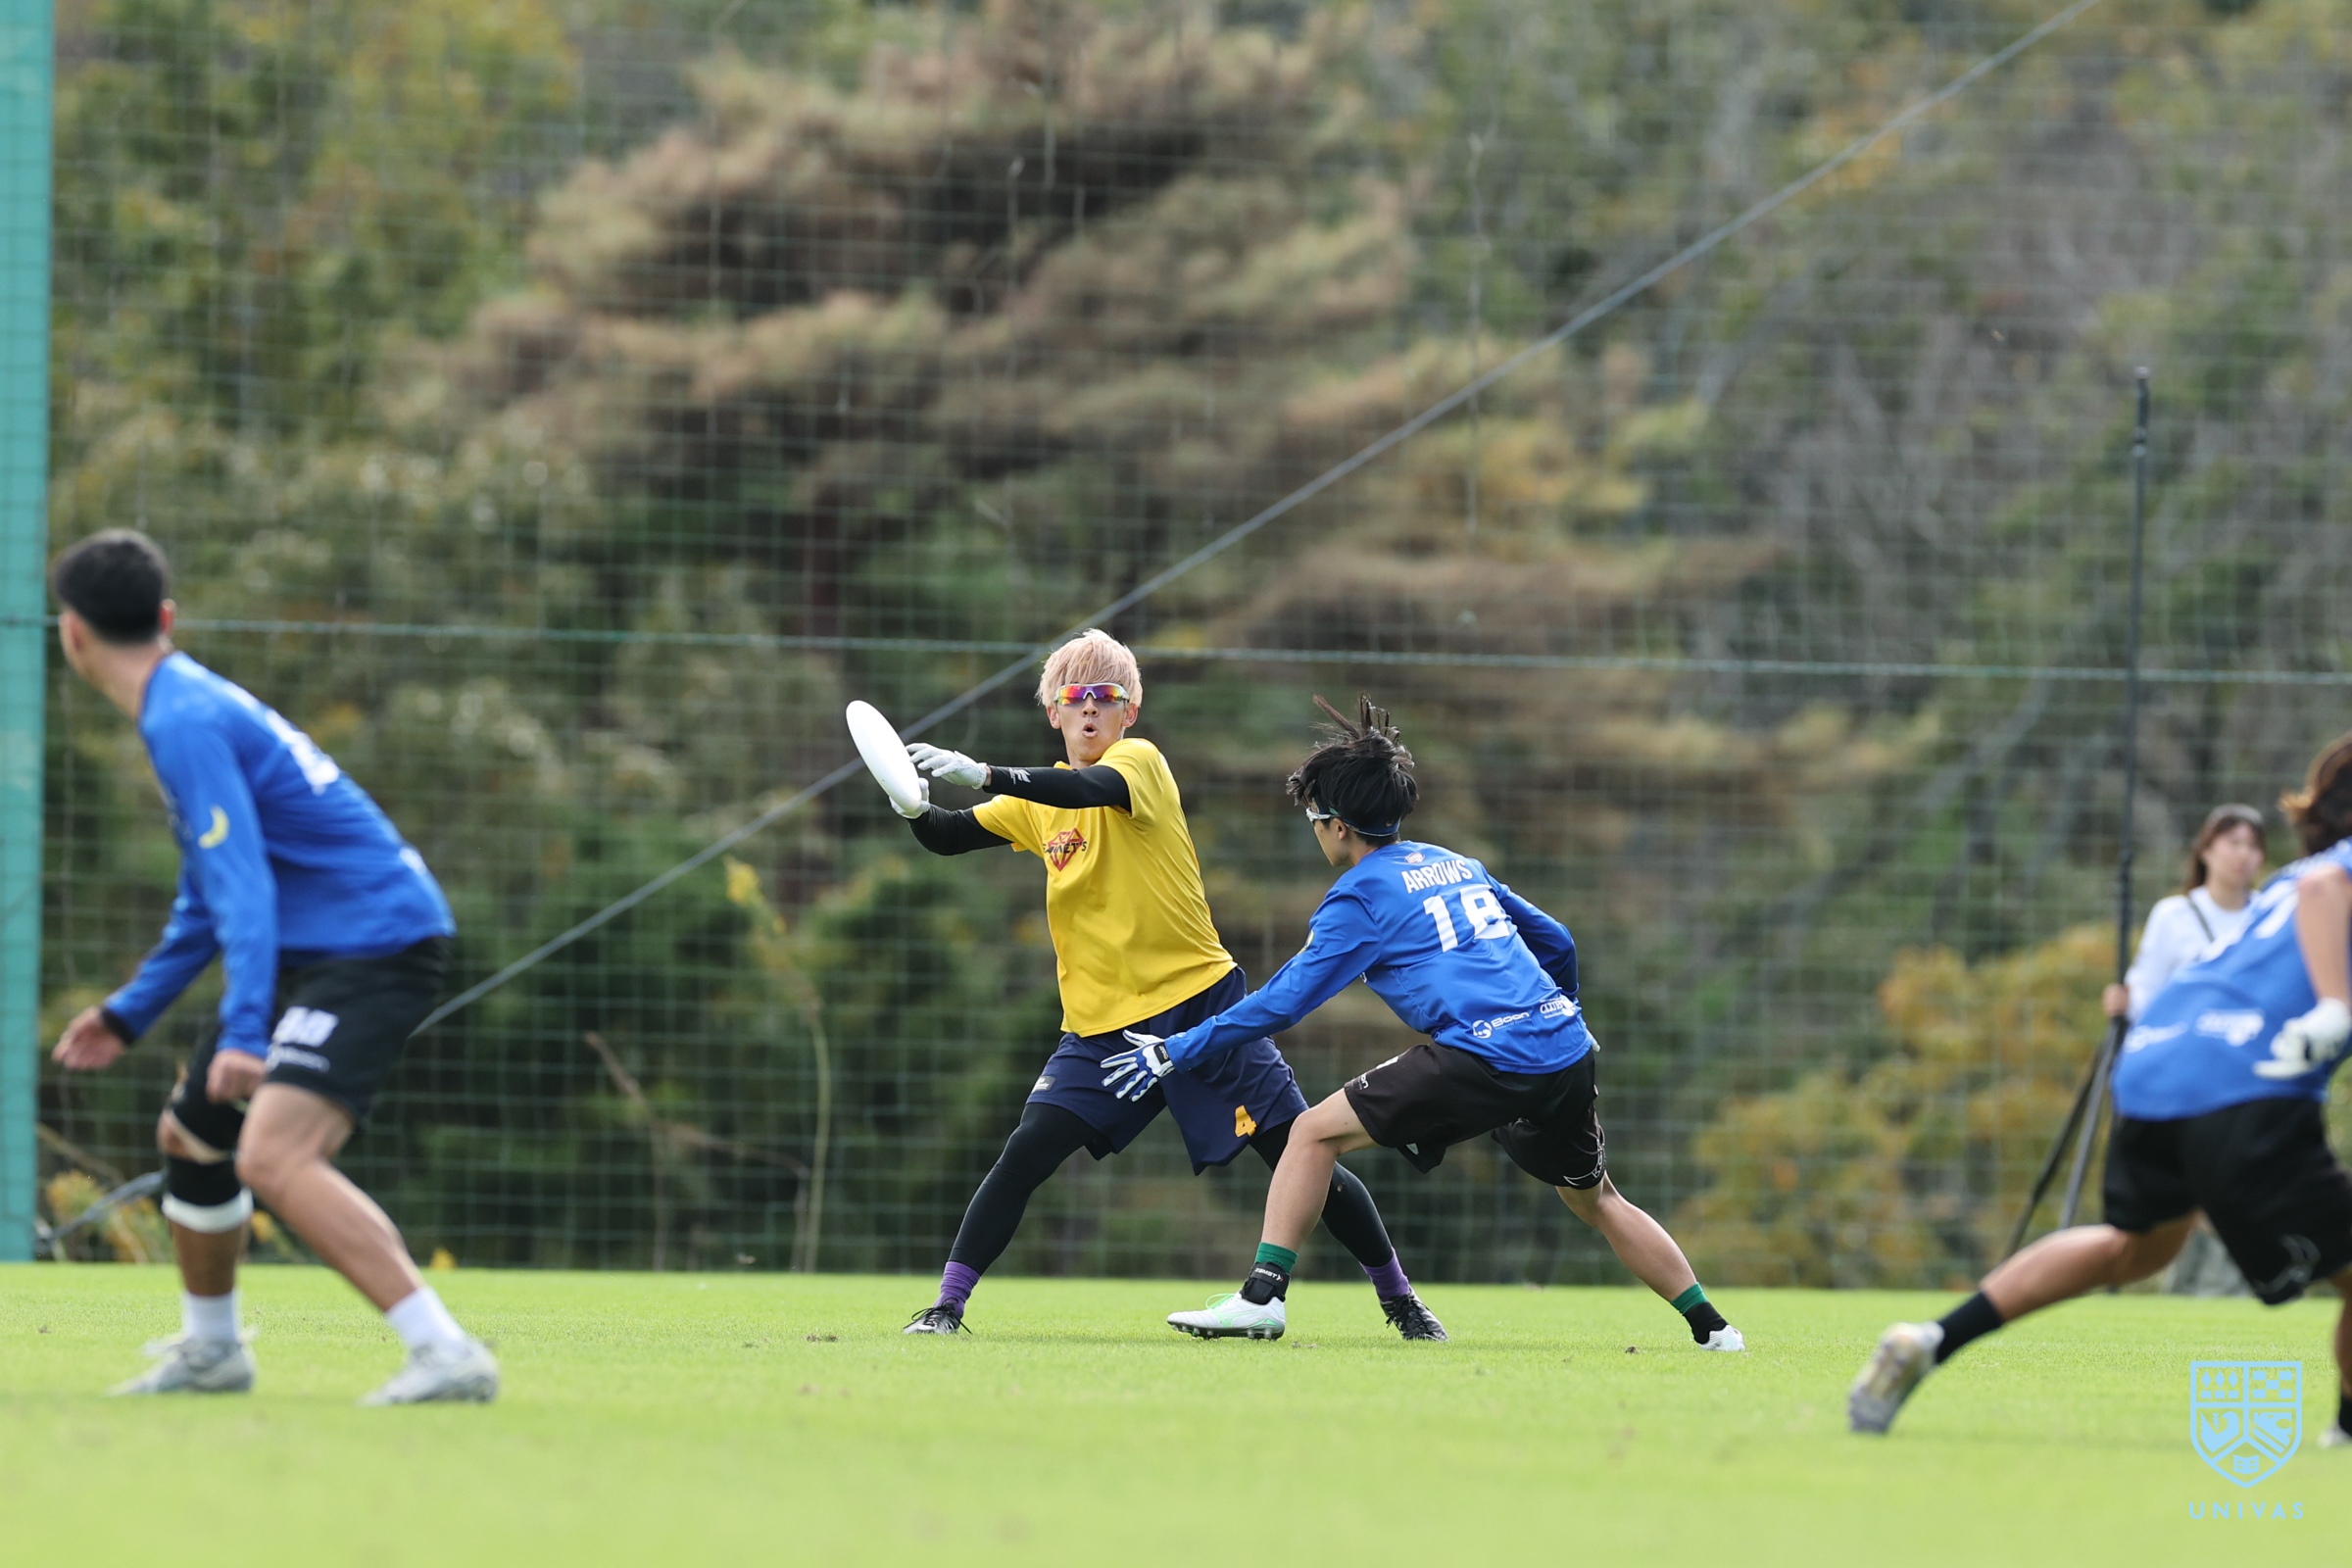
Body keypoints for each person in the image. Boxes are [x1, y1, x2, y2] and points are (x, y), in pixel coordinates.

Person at [1103, 696, 1742, 1350]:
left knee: (1311, 1135)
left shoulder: (1360, 897)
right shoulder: (1456, 863)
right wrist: (1561, 1008)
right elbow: (1558, 942)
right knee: (1596, 1198)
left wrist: (1177, 1049)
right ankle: (1715, 1330)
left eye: (1313, 818)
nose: (1314, 830)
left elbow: (1283, 1004)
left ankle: (1261, 1300)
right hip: (1567, 1049)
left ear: (1338, 826)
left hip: (1489, 1057)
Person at [46, 530, 495, 1405]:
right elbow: (210, 893)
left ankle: (445, 1352)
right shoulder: (184, 702)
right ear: (165, 617)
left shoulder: (182, 719)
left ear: (72, 633)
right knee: (191, 1138)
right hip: (317, 947)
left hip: (372, 945)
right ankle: (214, 1352)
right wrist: (131, 1011)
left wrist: (246, 1033)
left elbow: (244, 891)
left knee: (274, 1158)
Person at [891, 633, 1442, 1339]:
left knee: (1301, 1155)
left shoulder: (1139, 764)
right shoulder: (1035, 805)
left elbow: (1088, 788)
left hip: (1201, 1010)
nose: (1090, 710)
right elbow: (946, 834)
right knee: (1025, 1154)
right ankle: (946, 1307)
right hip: (1100, 1031)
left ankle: (1401, 1301)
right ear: (1053, 712)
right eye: (1074, 697)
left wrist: (988, 772)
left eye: (1107, 697)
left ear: (1131, 711)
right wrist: (910, 803)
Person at [1849, 733, 2352, 1444]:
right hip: (2240, 1080)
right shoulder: (2327, 874)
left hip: (2155, 1064)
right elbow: (2326, 892)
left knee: (2135, 1249)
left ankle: (1929, 1340)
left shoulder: (2284, 882)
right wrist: (2335, 1007)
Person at [2104, 803, 2267, 1025]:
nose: (2244, 854)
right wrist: (2126, 1004)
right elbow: (2146, 990)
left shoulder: (2269, 914)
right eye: (2234, 843)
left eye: (2253, 846)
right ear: (2206, 851)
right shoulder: (2173, 915)